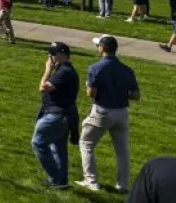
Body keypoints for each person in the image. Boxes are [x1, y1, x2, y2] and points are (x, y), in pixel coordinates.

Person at [75, 35, 140, 193]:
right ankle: (122, 185)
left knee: (86, 144)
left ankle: (91, 181)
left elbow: (91, 93)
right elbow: (135, 95)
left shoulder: (95, 68)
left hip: (102, 112)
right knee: (122, 151)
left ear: (102, 48)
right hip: (122, 113)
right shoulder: (127, 69)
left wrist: (89, 87)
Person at [32, 41, 80, 190]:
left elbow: (43, 87)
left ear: (60, 55)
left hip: (57, 116)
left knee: (38, 143)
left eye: (52, 54)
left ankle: (56, 177)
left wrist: (47, 70)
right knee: (58, 148)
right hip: (63, 115)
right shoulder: (63, 70)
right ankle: (61, 181)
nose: (49, 57)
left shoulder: (65, 71)